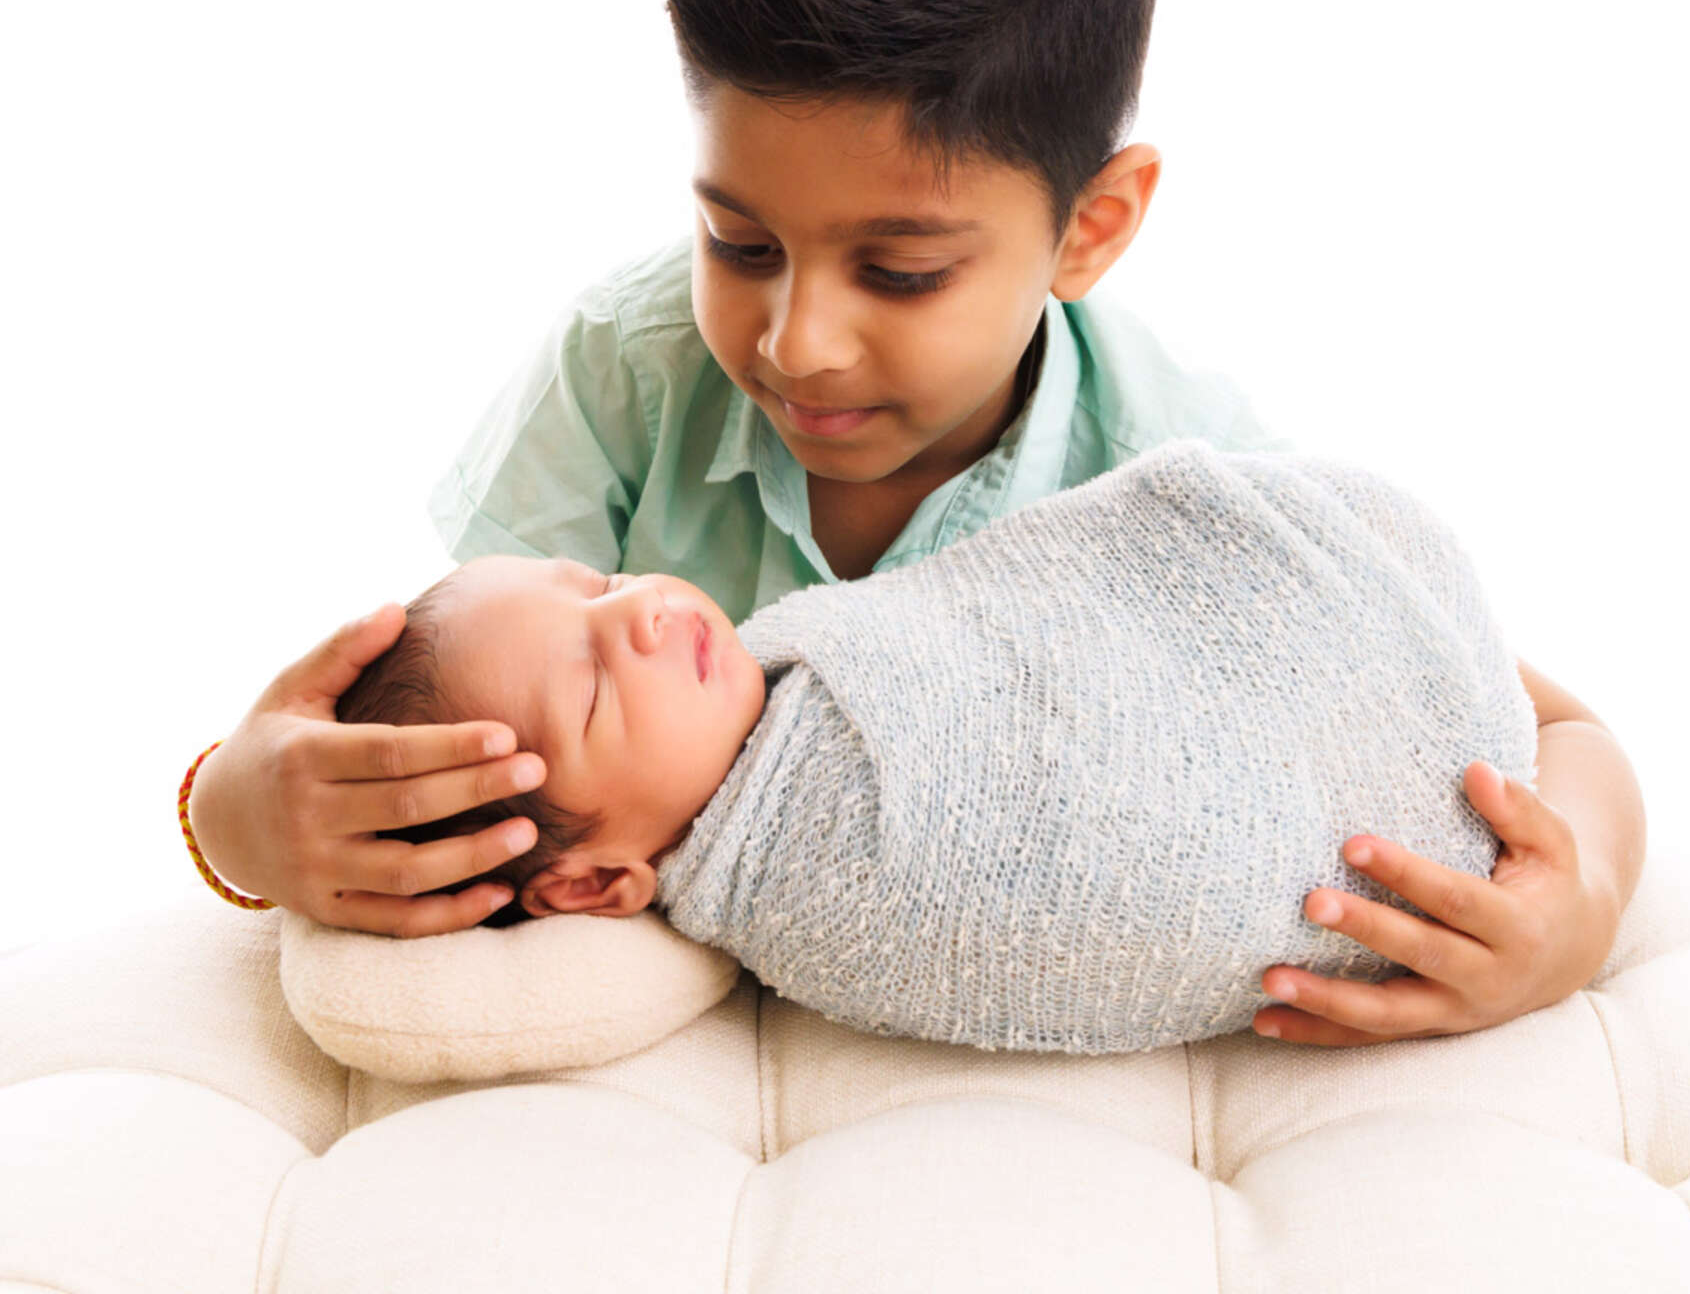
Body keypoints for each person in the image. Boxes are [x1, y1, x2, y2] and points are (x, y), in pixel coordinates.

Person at [185, 0, 1644, 1048]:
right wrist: (234, 817)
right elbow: (464, 722)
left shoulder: (1176, 478)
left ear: (1090, 227)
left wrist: (1572, 903)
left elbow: (1546, 726)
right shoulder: (627, 370)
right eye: (739, 243)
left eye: (899, 272)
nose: (798, 342)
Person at [331, 441, 1544, 1052]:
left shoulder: (800, 652)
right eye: (596, 685)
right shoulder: (832, 865)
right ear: (594, 884)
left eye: (598, 584)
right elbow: (1092, 853)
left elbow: (1048, 621)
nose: (643, 610)